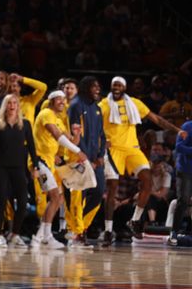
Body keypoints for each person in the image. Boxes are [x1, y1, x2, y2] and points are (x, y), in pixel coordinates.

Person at [99, 76, 186, 243]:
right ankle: (108, 230)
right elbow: (94, 125)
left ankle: (135, 220)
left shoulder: (134, 103)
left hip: (132, 148)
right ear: (111, 87)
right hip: (113, 149)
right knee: (112, 188)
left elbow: (157, 119)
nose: (116, 87)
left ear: (124, 87)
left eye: (119, 85)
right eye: (114, 85)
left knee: (147, 181)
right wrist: (101, 141)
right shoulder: (104, 104)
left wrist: (177, 130)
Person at [0, 94, 38, 250]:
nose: (12, 105)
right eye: (9, 103)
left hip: (19, 167)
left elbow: (32, 148)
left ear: (18, 105)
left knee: (22, 203)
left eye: (15, 103)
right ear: (5, 106)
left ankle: (15, 234)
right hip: (0, 167)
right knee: (1, 202)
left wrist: (35, 166)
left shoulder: (25, 124)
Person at [32, 90, 84, 249]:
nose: (62, 102)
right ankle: (45, 236)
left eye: (63, 100)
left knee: (59, 198)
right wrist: (78, 152)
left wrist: (77, 135)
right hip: (39, 162)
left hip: (49, 164)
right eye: (59, 99)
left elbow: (70, 140)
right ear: (52, 101)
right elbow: (56, 135)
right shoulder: (46, 113)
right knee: (54, 197)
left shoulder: (58, 119)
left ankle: (42, 234)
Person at [67, 76, 107, 247]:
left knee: (99, 192)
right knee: (78, 196)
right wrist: (84, 156)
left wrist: (100, 155)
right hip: (79, 159)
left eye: (98, 86)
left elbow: (101, 135)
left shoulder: (97, 108)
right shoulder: (76, 105)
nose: (97, 89)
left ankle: (81, 227)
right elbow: (75, 133)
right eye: (94, 86)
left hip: (94, 160)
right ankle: (76, 232)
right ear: (85, 88)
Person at [169, 118, 192, 245]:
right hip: (186, 170)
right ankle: (174, 232)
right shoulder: (187, 126)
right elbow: (179, 147)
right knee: (183, 200)